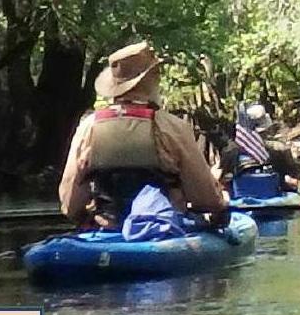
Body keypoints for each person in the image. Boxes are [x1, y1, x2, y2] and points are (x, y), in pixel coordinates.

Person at [58, 42, 228, 230]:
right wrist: (221, 202)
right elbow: (206, 199)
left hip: (108, 228)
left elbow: (70, 203)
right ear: (151, 78)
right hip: (164, 228)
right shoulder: (172, 127)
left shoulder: (88, 127)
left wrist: (84, 217)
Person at [224, 101, 300, 199]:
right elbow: (295, 178)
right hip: (274, 201)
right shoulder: (280, 149)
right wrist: (295, 158)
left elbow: (218, 179)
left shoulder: (231, 151)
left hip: (241, 203)